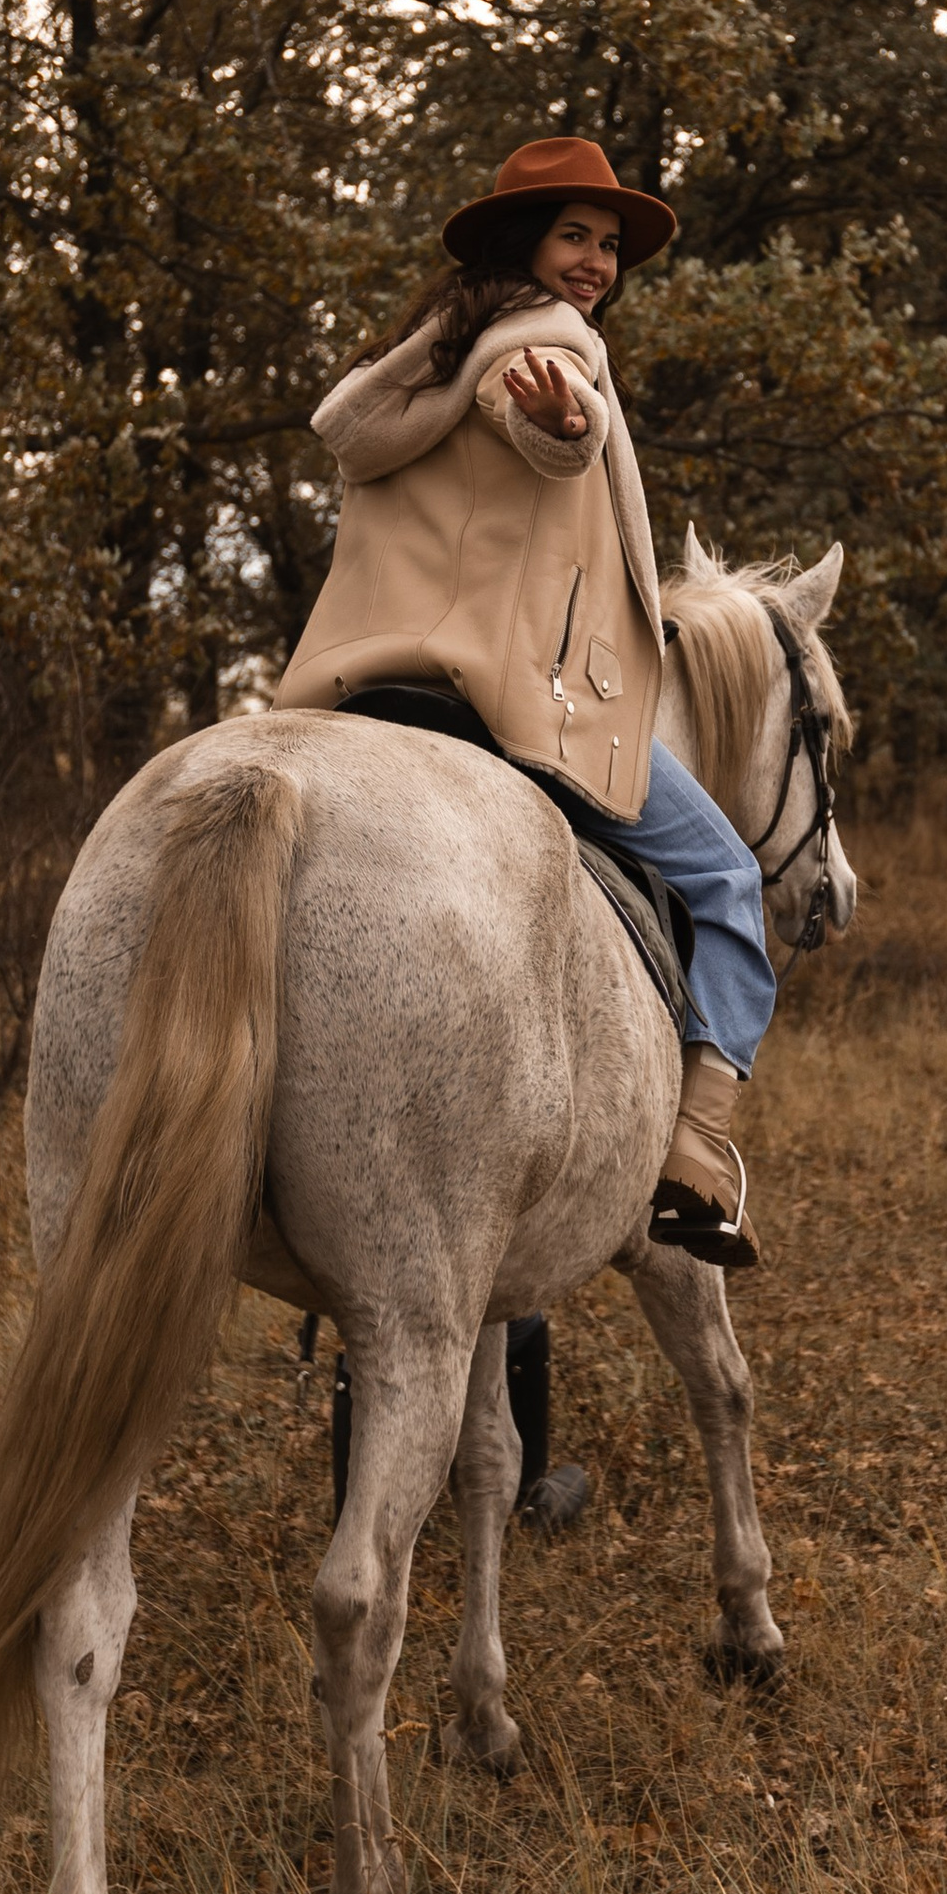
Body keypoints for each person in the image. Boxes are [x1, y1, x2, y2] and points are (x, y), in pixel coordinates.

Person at [277, 135, 774, 1267]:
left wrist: (555, 426)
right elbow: (554, 428)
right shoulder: (550, 347)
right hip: (521, 707)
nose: (594, 263)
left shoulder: (429, 358)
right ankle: (696, 1155)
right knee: (729, 876)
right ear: (524, 244)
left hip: (369, 693)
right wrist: (567, 426)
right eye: (573, 236)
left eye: (606, 246)